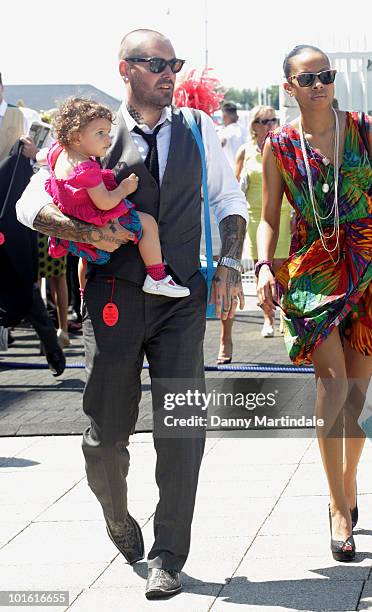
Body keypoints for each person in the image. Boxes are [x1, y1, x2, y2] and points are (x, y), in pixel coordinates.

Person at [16, 28, 247, 599]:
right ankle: (117, 516)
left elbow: (228, 200)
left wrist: (230, 264)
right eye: (155, 63)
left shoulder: (197, 127)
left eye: (174, 63)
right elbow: (29, 204)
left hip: (182, 297)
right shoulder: (89, 131)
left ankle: (170, 553)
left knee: (182, 429)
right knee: (106, 433)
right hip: (114, 296)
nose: (168, 72)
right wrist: (83, 228)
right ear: (126, 70)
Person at [256, 45, 372, 562]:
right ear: (289, 86)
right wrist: (262, 265)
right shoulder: (279, 145)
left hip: (371, 263)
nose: (318, 84)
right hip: (312, 268)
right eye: (307, 78)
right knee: (333, 383)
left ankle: (349, 483)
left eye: (326, 75)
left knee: (360, 395)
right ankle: (338, 507)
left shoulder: (364, 128)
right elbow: (269, 215)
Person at [45, 97, 189, 299]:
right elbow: (104, 202)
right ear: (77, 138)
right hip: (98, 219)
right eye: (100, 134)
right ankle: (156, 277)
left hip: (74, 227)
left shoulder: (58, 152)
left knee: (84, 261)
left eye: (108, 132)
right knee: (148, 224)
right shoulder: (86, 168)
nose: (108, 140)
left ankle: (84, 292)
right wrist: (124, 188)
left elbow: (44, 160)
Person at [0, 72, 65, 375]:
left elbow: (50, 155)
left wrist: (32, 154)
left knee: (26, 282)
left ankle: (52, 348)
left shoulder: (23, 116)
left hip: (15, 216)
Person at [217, 106, 289, 363]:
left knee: (283, 272)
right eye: (265, 120)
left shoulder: (284, 146)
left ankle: (281, 316)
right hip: (257, 218)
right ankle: (267, 318)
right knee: (261, 271)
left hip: (284, 215)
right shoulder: (245, 151)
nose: (270, 124)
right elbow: (233, 188)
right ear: (254, 125)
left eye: (274, 119)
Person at [219, 101, 246, 170]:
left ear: (224, 117)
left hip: (231, 174)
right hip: (245, 172)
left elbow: (220, 144)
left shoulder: (224, 132)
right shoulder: (245, 130)